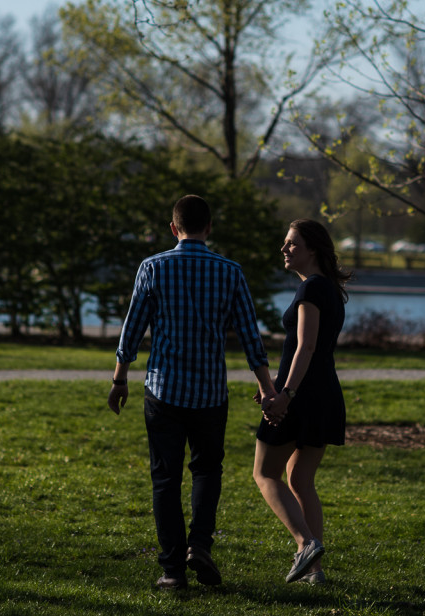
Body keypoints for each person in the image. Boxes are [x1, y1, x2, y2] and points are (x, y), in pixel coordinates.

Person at [108, 194, 276, 591]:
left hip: (162, 392)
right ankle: (199, 545)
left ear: (173, 228)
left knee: (165, 480)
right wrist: (267, 388)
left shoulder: (153, 267)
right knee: (207, 471)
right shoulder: (230, 272)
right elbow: (252, 338)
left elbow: (132, 330)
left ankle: (172, 571)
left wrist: (119, 379)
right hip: (210, 394)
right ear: (209, 227)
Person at [253, 219, 348, 585]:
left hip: (303, 396)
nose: (285, 249)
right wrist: (276, 386)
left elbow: (306, 346)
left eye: (292, 243)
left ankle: (306, 544)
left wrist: (286, 395)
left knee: (264, 473)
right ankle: (315, 571)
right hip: (324, 395)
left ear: (313, 248)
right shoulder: (330, 290)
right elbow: (308, 350)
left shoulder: (311, 290)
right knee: (301, 480)